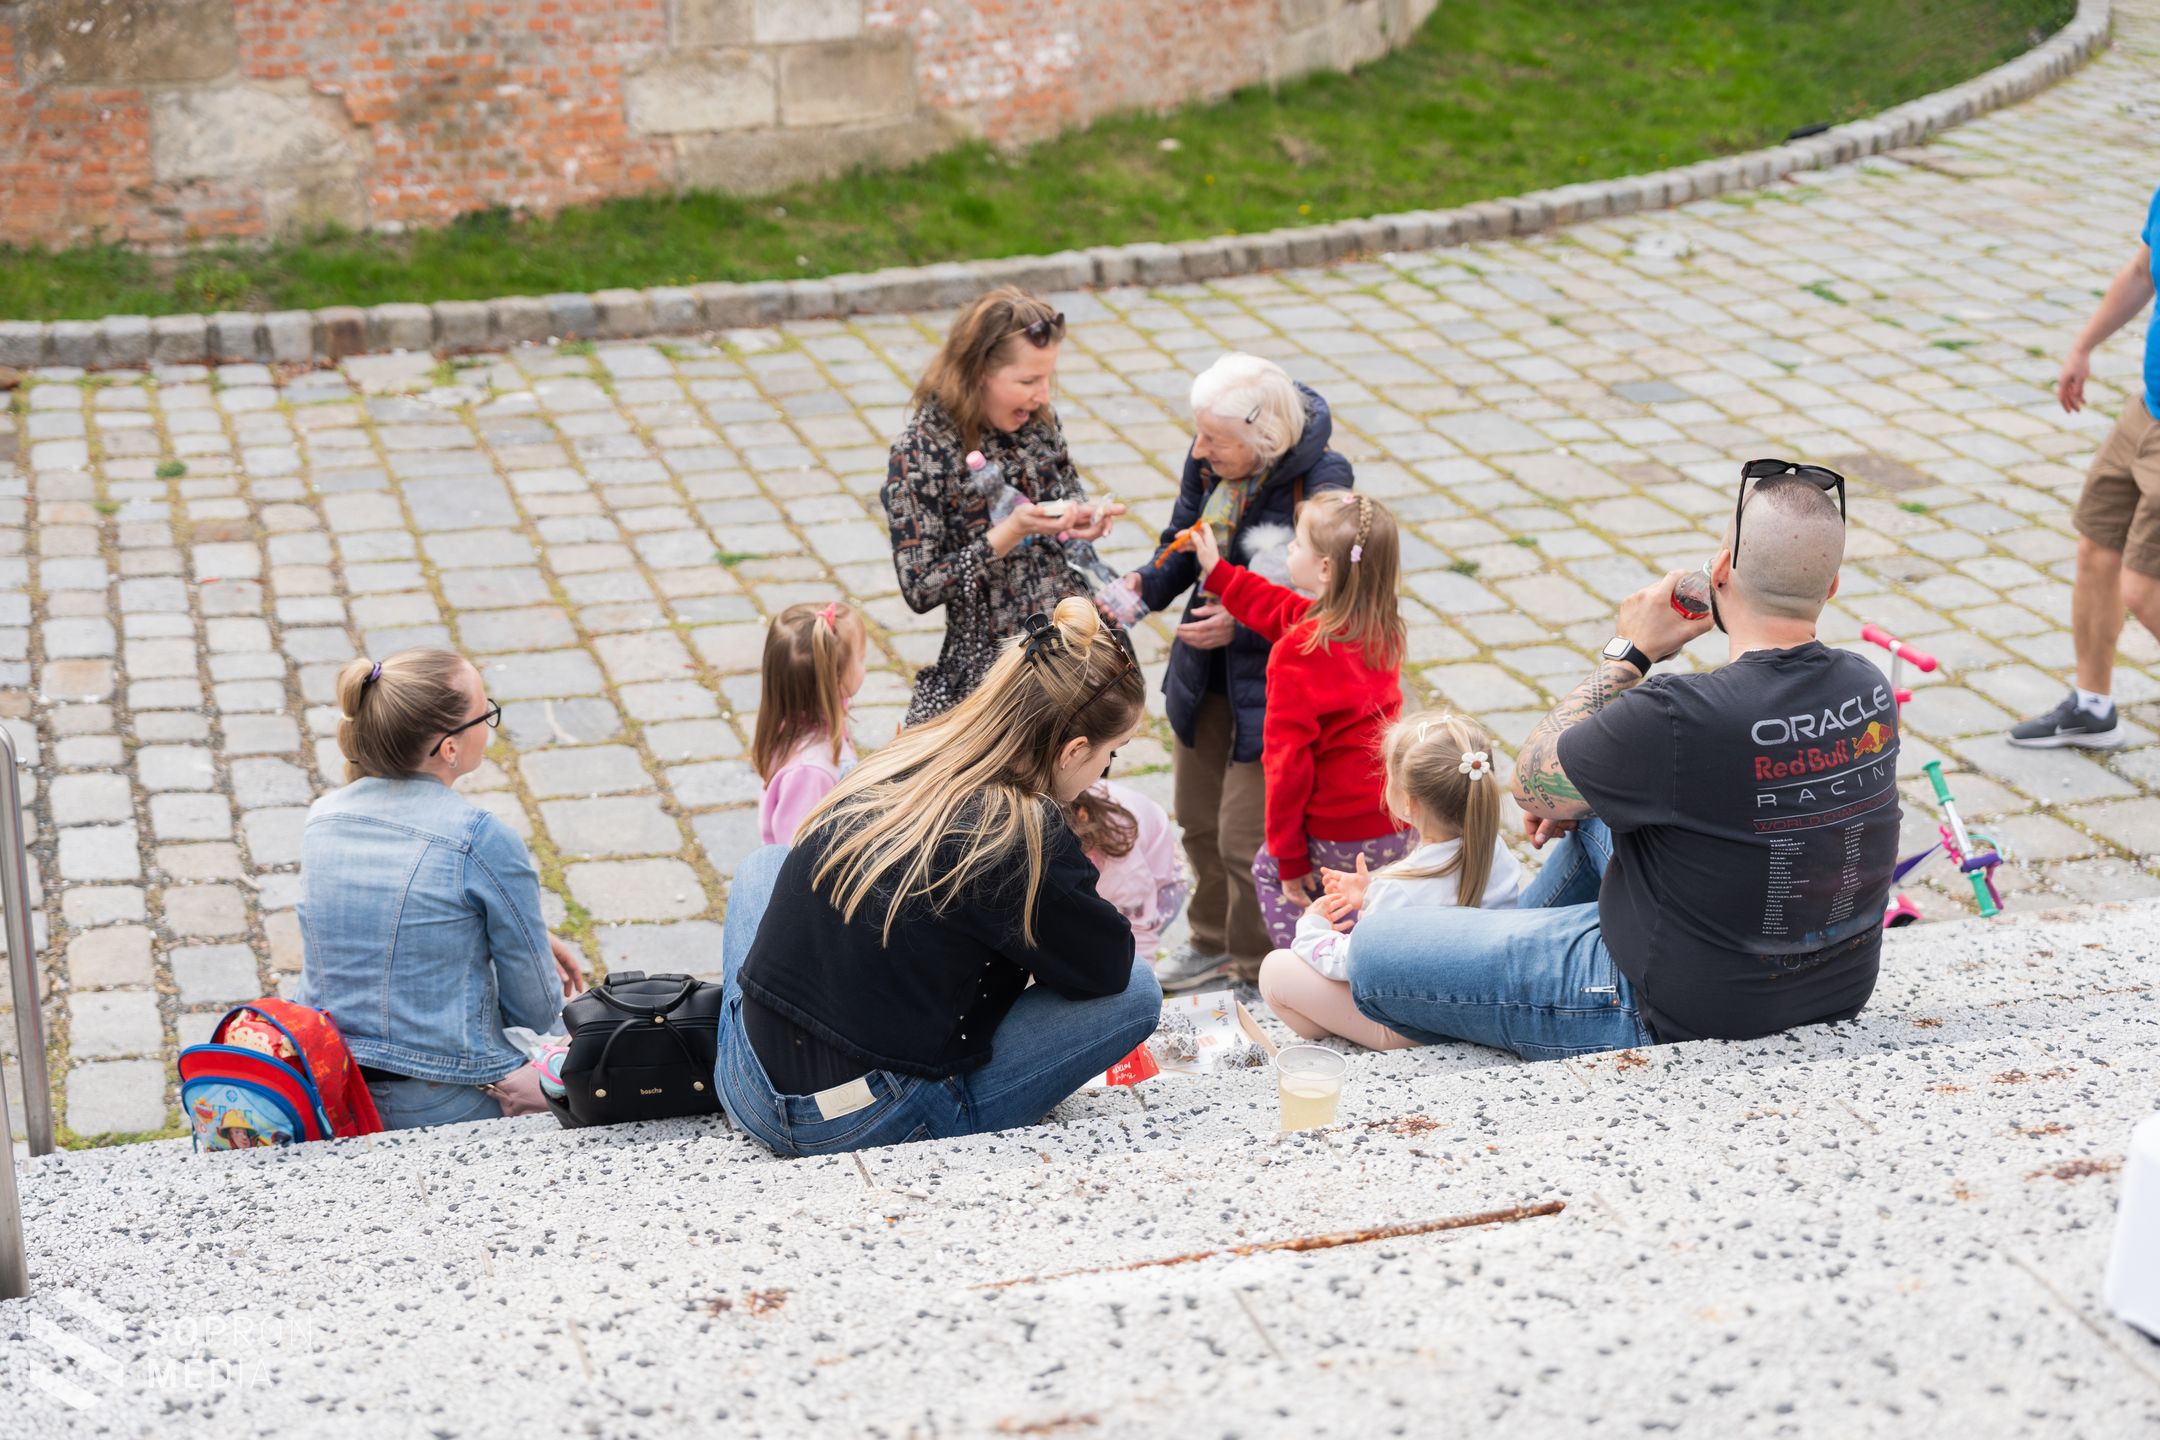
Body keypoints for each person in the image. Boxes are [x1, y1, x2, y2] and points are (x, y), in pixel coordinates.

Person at [1346, 463, 1900, 1059]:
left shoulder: (1676, 716)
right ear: (1832, 586)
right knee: (1592, 796)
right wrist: (1577, 793)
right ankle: (1496, 947)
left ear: (1719, 572)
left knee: (1374, 950)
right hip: (1832, 990)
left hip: (1664, 1008)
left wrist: (1629, 653)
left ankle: (1488, 968)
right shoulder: (1867, 687)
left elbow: (1529, 783)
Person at [715, 598, 1163, 1157]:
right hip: (854, 1120)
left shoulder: (915, 752)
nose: (1105, 770)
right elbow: (1108, 966)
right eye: (1111, 754)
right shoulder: (1018, 831)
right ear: (1073, 750)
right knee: (1141, 993)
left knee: (765, 865)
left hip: (746, 1080)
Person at [1113, 353, 1355, 993]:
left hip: (1276, 687)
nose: (1198, 450)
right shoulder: (1209, 462)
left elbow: (1338, 600)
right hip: (1205, 673)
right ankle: (1210, 941)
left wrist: (1243, 623)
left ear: (1264, 439)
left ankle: (1255, 971)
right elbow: (1182, 540)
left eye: (1213, 439)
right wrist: (1140, 590)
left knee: (1247, 839)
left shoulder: (1324, 484)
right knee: (1196, 819)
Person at [297, 649, 585, 1130]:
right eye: (484, 714)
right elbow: (534, 1010)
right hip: (446, 1097)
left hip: (335, 1087)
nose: (488, 726)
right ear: (449, 748)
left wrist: (508, 934)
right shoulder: (480, 838)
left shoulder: (322, 818)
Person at [883, 287, 1124, 726]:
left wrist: (1077, 522)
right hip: (992, 672)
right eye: (1029, 382)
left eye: (1048, 379)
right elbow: (920, 586)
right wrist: (1008, 533)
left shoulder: (1037, 425)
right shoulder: (922, 453)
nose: (1043, 396)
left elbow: (1063, 501)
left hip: (1072, 654)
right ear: (977, 374)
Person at [1188, 491, 1415, 950]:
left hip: (1336, 828)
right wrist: (1223, 575)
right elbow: (1283, 610)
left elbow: (1286, 765)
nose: (1287, 549)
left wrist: (1291, 858)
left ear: (1326, 569)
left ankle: (1311, 980)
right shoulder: (1379, 622)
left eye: (1298, 545)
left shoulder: (1299, 651)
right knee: (1374, 910)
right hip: (1395, 818)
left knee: (1280, 881)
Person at [1258, 712, 1523, 1050]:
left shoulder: (1399, 888)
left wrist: (1311, 928)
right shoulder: (1494, 850)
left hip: (1414, 1026)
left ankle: (1348, 1048)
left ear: (1407, 801)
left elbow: (1352, 965)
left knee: (1276, 970)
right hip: (1475, 1003)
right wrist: (1372, 897)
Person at [2007, 189, 2159, 750]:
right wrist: (2084, 346)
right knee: (2097, 547)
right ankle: (2092, 708)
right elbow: (2145, 268)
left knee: (2145, 589)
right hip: (2147, 408)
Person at [753, 600, 867, 845]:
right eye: (861, 658)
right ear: (835, 681)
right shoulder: (810, 774)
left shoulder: (802, 717)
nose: (864, 666)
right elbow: (799, 855)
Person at [1068, 779, 1189, 960]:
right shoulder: (1066, 798)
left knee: (1106, 947)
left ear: (1082, 816)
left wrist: (1141, 982)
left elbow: (1138, 932)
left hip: (1160, 887)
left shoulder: (1121, 866)